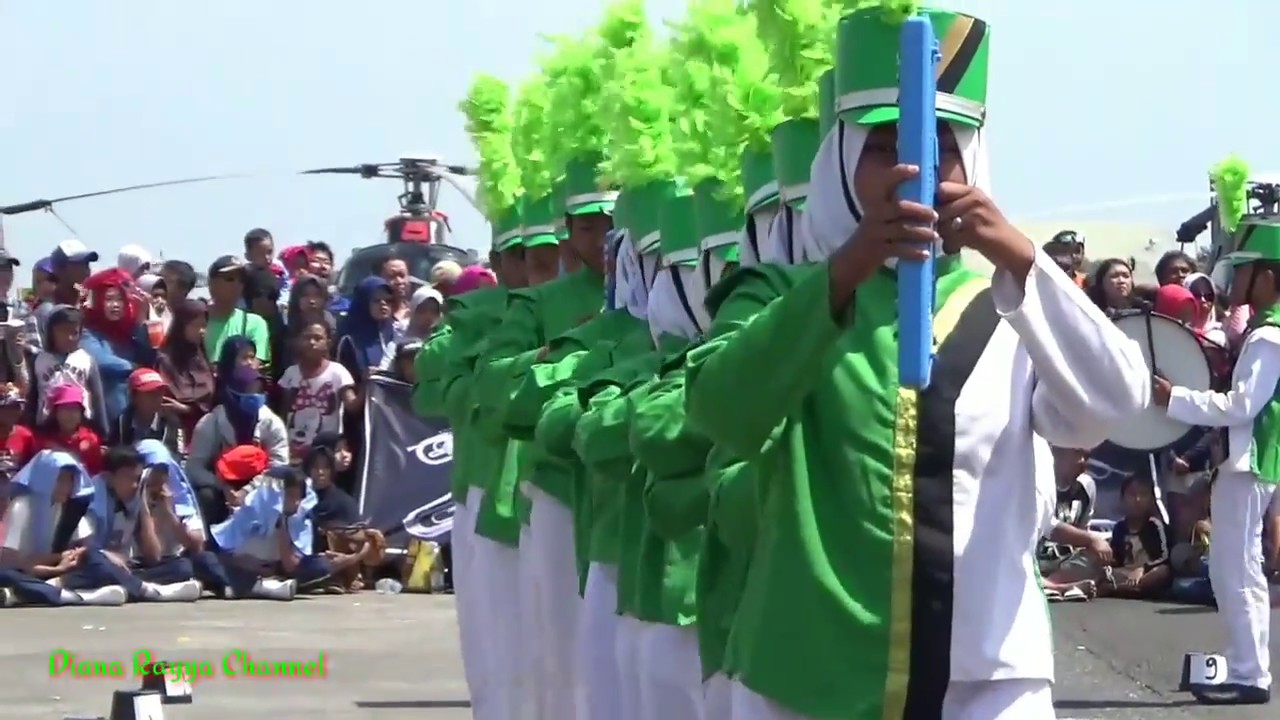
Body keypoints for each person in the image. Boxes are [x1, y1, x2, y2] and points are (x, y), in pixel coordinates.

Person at [683, 6, 1150, 719]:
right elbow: (720, 411)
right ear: (839, 164)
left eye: (940, 148)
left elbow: (1115, 402)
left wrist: (1023, 258)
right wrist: (845, 273)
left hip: (987, 674)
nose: (913, 170)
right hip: (812, 674)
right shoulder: (784, 296)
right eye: (882, 149)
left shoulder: (1014, 305)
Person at [1155, 217, 1280, 705]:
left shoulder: (1269, 336)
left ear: (1268, 277)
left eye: (1247, 272)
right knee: (1234, 569)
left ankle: (1252, 674)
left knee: (1237, 570)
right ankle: (1249, 668)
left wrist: (1175, 399)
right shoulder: (1266, 332)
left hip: (1249, 464)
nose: (1237, 282)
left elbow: (1241, 406)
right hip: (1249, 463)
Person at [0, 451, 129, 606]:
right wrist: (57, 566)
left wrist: (86, 554)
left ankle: (29, 593)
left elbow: (86, 546)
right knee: (9, 576)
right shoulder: (22, 506)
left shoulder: (66, 508)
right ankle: (76, 596)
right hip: (24, 572)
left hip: (47, 571)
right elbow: (11, 562)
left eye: (70, 480)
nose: (66, 486)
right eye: (60, 479)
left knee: (96, 560)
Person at [83, 445, 203, 602]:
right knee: (97, 564)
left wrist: (144, 508)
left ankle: (129, 586)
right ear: (109, 478)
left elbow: (154, 556)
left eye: (138, 479)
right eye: (128, 478)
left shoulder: (136, 496)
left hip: (125, 567)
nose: (134, 485)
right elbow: (82, 547)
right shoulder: (91, 500)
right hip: (96, 564)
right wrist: (106, 555)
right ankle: (149, 591)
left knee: (182, 567)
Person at [185, 366, 289, 525]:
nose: (255, 396)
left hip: (260, 484)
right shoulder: (211, 422)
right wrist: (223, 486)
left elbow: (279, 467)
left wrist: (247, 491)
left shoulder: (272, 423)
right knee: (206, 496)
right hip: (221, 485)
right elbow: (194, 468)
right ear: (232, 393)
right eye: (249, 390)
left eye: (259, 391)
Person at [209, 466, 329, 598]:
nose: (296, 502)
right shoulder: (251, 510)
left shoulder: (300, 518)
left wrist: (283, 524)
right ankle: (261, 588)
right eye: (290, 496)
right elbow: (224, 553)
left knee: (320, 566)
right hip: (243, 568)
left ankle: (253, 587)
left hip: (277, 570)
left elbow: (291, 565)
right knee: (207, 562)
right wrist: (245, 563)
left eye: (299, 497)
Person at [79, 268, 155, 422]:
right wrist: (136, 368)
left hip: (133, 417)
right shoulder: (87, 332)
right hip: (105, 415)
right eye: (109, 299)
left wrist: (141, 318)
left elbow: (149, 356)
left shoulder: (128, 332)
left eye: (120, 299)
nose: (115, 305)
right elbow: (100, 362)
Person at [276, 321, 357, 462]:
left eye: (318, 338)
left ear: (328, 343)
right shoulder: (291, 373)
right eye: (307, 337)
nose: (312, 342)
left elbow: (352, 405)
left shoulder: (337, 372)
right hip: (294, 448)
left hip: (326, 450)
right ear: (298, 341)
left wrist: (369, 383)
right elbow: (283, 411)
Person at [28, 305, 108, 436]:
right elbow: (33, 397)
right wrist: (30, 427)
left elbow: (97, 398)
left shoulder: (86, 360)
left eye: (74, 332)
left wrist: (102, 432)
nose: (69, 337)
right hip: (46, 427)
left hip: (80, 426)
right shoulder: (39, 360)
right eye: (63, 331)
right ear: (50, 332)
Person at [155, 299, 216, 450]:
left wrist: (188, 409)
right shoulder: (166, 360)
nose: (201, 331)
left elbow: (212, 398)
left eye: (204, 326)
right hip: (176, 435)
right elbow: (166, 402)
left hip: (206, 435)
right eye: (195, 325)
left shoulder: (202, 359)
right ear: (181, 326)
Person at [1101, 475, 1171, 599]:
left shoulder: (1154, 526)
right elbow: (1117, 558)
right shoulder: (1120, 528)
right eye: (1132, 495)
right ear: (1122, 499)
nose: (1137, 500)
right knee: (1102, 571)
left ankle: (1119, 588)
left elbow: (1163, 557)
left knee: (1163, 572)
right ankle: (1126, 588)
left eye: (1143, 495)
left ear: (1151, 500)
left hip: (1146, 572)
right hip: (1126, 572)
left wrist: (1142, 569)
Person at [204, 256, 270, 371]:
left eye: (241, 280)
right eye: (229, 279)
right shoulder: (194, 320)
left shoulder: (254, 323)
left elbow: (254, 366)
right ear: (211, 283)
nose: (237, 284)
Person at [33, 383, 105, 475]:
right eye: (65, 409)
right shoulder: (43, 441)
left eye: (74, 409)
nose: (70, 415)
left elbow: (96, 474)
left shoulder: (91, 440)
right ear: (55, 413)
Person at [336, 277, 399, 377]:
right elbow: (340, 376)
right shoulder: (349, 338)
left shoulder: (398, 331)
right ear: (364, 303)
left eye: (388, 300)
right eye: (376, 300)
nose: (383, 304)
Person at [112, 369, 182, 449]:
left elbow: (177, 455)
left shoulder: (171, 423)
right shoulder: (122, 422)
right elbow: (115, 453)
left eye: (160, 392)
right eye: (150, 393)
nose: (157, 397)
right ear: (133, 396)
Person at [243, 266, 286, 380]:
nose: (265, 301)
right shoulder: (242, 325)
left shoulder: (283, 324)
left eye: (271, 297)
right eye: (257, 296)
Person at [379, 256, 413, 331]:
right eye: (391, 276)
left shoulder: (417, 311)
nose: (399, 281)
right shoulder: (377, 314)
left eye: (402, 275)